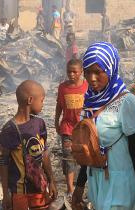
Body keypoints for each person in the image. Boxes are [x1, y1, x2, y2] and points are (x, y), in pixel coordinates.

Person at [72, 42, 135, 210]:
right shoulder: (89, 101)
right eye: (87, 72)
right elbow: (89, 146)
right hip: (97, 182)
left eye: (98, 72)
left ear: (110, 70)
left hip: (121, 184)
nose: (92, 78)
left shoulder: (126, 101)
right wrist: (79, 186)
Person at [0, 80, 57, 210]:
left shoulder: (39, 124)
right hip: (19, 193)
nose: (43, 104)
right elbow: (3, 163)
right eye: (42, 100)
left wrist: (51, 181)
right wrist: (5, 194)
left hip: (40, 190)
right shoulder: (10, 129)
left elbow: (45, 154)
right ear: (30, 100)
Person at [54, 59, 88, 198]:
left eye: (75, 72)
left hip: (83, 129)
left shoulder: (87, 86)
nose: (72, 74)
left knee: (84, 156)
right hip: (67, 128)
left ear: (81, 72)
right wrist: (56, 121)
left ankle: (83, 185)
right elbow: (59, 106)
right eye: (69, 71)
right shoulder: (63, 87)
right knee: (68, 158)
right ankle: (70, 189)